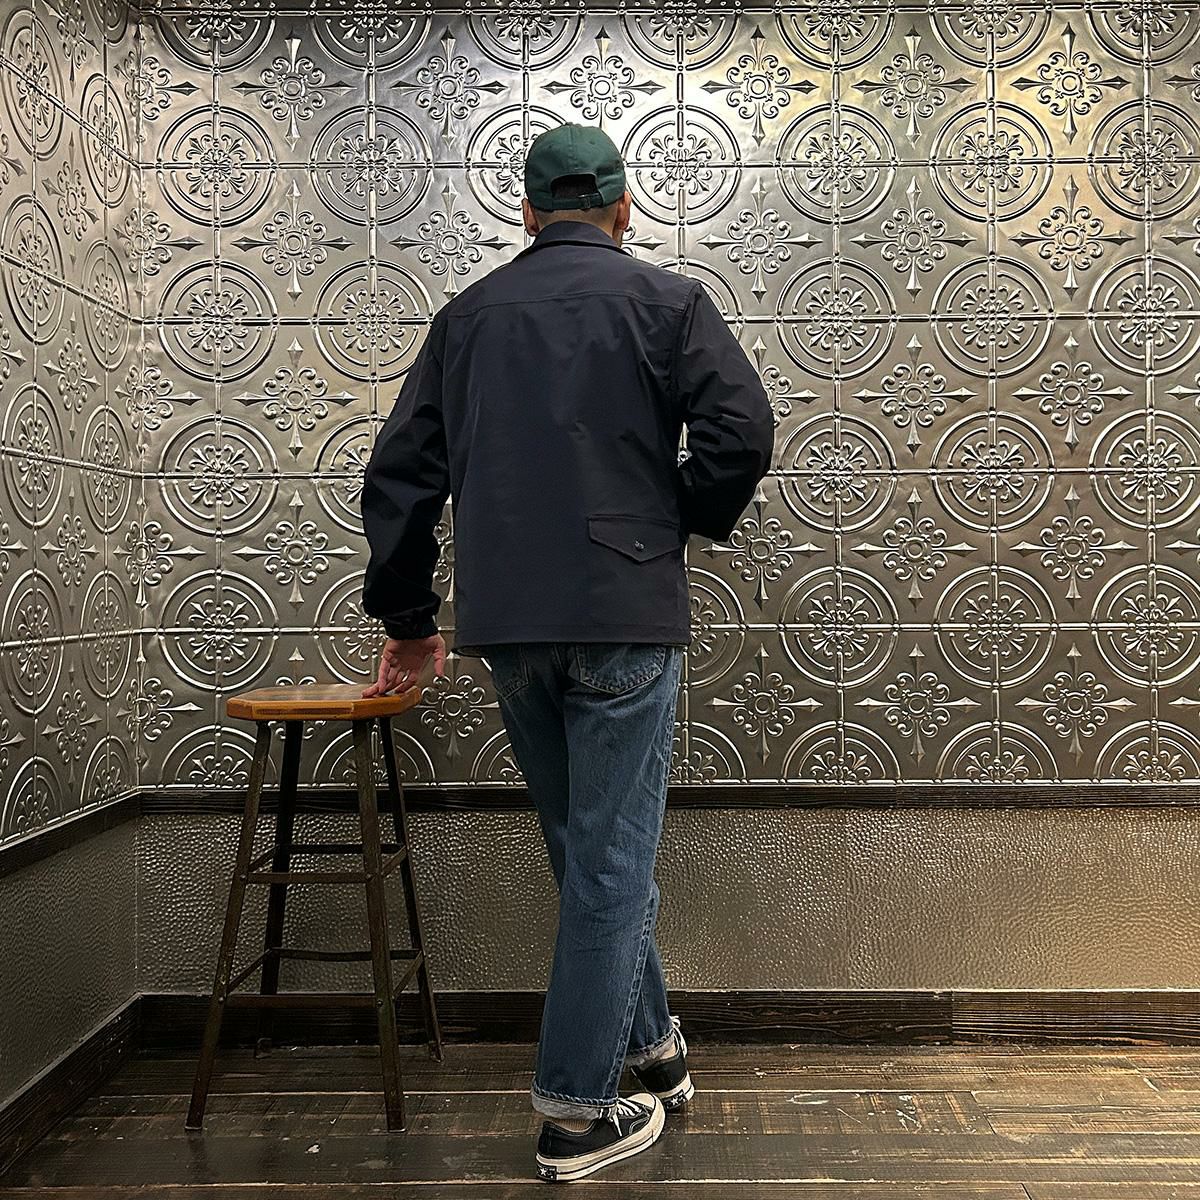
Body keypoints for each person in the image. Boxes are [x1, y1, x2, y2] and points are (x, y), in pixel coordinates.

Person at [360, 123, 774, 1182]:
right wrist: (674, 517)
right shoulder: (669, 303)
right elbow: (742, 431)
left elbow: (399, 474)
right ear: (624, 208)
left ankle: (653, 1047)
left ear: (528, 212)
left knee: (584, 854)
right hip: (623, 610)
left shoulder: (468, 317)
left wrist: (409, 619)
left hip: (512, 621)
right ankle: (576, 1113)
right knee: (608, 862)